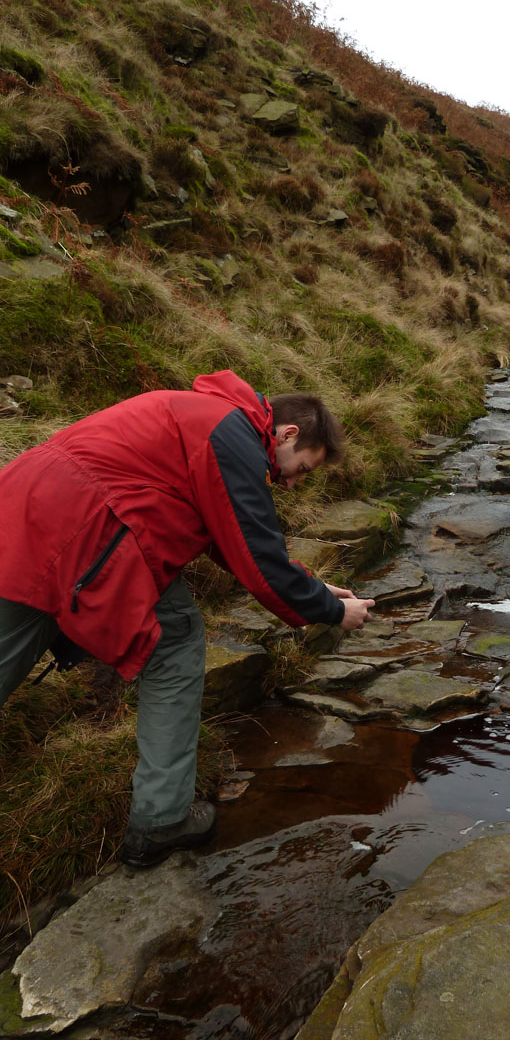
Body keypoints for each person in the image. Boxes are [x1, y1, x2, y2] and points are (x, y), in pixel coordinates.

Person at [0, 370, 375, 866]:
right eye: (300, 469)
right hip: (81, 532)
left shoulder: (208, 418)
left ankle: (162, 813)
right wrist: (330, 610)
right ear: (287, 434)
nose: (289, 483)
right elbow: (258, 554)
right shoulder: (234, 435)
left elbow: (231, 537)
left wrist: (313, 585)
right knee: (175, 640)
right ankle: (160, 819)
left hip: (33, 510)